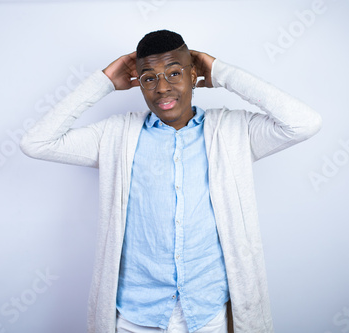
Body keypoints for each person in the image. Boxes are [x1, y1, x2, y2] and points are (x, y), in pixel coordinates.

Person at [20, 29, 321, 333]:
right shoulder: (115, 136)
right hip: (136, 318)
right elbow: (37, 143)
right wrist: (104, 82)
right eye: (149, 77)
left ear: (194, 75)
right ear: (138, 83)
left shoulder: (233, 132)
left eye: (174, 73)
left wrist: (222, 72)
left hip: (208, 315)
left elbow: (304, 123)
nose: (162, 88)